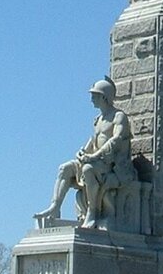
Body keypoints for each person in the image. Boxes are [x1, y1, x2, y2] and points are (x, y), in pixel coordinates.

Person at [34, 77, 135, 229]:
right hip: (95, 161)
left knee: (88, 169)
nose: (91, 99)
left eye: (94, 95)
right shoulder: (98, 119)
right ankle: (55, 208)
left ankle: (93, 213)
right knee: (65, 168)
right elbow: (93, 140)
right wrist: (82, 152)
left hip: (112, 165)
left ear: (104, 96)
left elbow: (116, 140)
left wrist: (94, 156)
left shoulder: (118, 116)